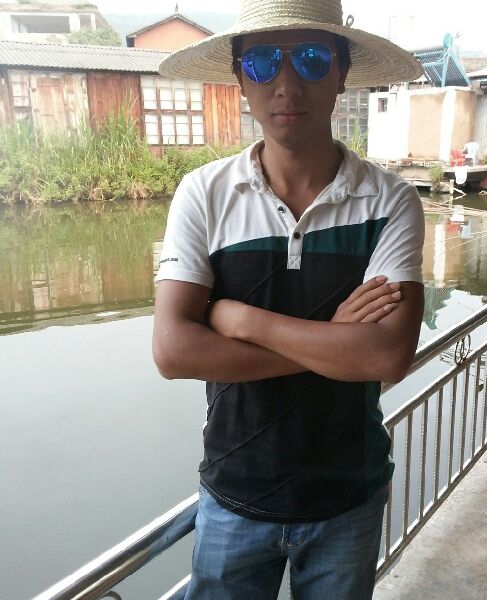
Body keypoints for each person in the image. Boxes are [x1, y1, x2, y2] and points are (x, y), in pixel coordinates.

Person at [153, 1, 425, 598]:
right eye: (261, 63)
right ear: (239, 78)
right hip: (234, 492)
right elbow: (174, 352)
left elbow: (385, 356)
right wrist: (335, 342)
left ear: (341, 75)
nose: (286, 84)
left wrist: (240, 318)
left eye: (310, 59)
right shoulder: (205, 195)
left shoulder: (389, 201)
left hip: (348, 494)